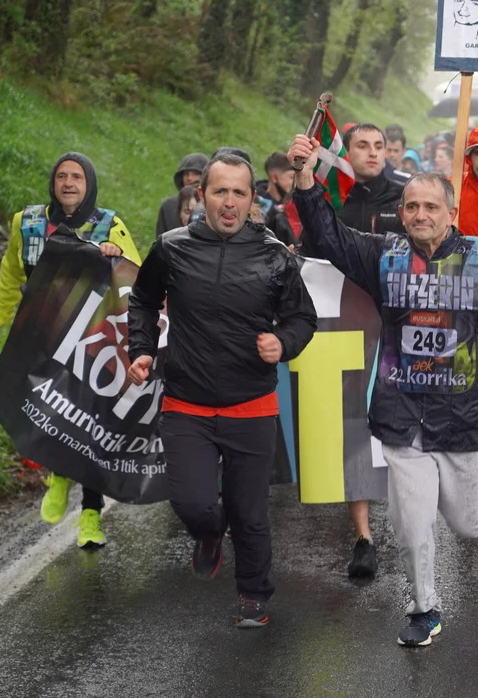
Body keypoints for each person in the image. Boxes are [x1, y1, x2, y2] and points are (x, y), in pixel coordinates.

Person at [288, 134, 478, 647]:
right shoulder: (384, 256)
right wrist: (305, 179)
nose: (420, 215)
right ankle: (423, 607)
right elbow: (330, 238)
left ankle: (465, 508)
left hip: (467, 421)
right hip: (402, 417)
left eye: (431, 207)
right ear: (401, 214)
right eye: (411, 206)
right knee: (412, 527)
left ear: (451, 215)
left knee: (472, 525)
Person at [127, 152, 317, 628]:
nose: (229, 202)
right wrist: (143, 349)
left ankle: (253, 594)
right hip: (186, 403)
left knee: (249, 513)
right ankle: (209, 534)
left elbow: (302, 318)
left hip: (250, 404)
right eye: (219, 192)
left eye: (238, 193)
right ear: (201, 196)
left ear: (252, 199)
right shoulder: (171, 248)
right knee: (193, 504)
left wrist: (283, 342)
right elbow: (143, 299)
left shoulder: (274, 255)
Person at [0, 152, 141, 549]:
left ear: (89, 184)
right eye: (61, 176)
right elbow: (11, 273)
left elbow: (135, 280)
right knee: (50, 414)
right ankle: (57, 476)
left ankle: (90, 514)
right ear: (53, 183)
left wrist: (115, 256)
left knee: (89, 425)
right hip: (41, 338)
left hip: (92, 342)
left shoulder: (110, 225)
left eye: (77, 177)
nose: (68, 183)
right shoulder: (27, 223)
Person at [337, 123, 405, 236]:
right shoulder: (330, 197)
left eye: (378, 147)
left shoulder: (403, 196)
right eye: (362, 147)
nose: (373, 153)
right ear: (346, 152)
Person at [156, 153, 209, 237]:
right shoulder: (168, 206)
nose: (189, 178)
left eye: (195, 173)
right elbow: (160, 239)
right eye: (186, 174)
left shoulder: (213, 204)